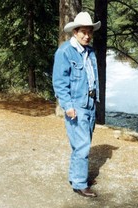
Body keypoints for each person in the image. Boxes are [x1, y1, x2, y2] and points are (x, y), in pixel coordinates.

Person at [52, 12, 101, 198]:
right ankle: (80, 184)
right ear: (75, 32)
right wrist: (67, 105)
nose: (87, 35)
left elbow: (92, 78)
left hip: (89, 103)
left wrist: (96, 101)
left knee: (80, 144)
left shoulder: (90, 52)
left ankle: (77, 177)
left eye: (89, 32)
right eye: (83, 32)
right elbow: (59, 82)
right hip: (76, 105)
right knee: (82, 145)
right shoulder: (65, 52)